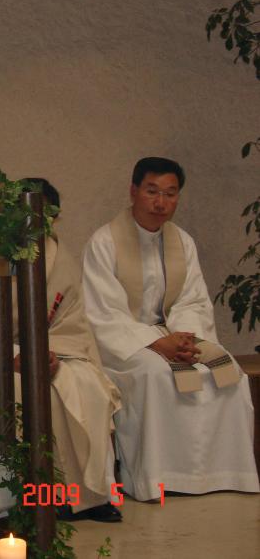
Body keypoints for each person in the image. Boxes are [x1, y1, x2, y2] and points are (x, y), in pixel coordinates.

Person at [82, 157, 258, 501]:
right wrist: (155, 342)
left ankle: (224, 473)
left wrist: (185, 339)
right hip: (125, 345)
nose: (160, 202)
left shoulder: (183, 242)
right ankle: (159, 479)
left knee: (229, 374)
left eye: (170, 193)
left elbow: (194, 300)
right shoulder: (104, 242)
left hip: (177, 335)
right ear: (133, 191)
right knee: (156, 376)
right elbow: (103, 311)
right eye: (152, 191)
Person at [0, 178, 124, 522]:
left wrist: (49, 355)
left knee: (87, 386)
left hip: (49, 353)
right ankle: (9, 501)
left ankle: (85, 496)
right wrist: (9, 357)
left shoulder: (58, 258)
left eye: (43, 217)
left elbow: (72, 322)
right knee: (15, 390)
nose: (31, 224)